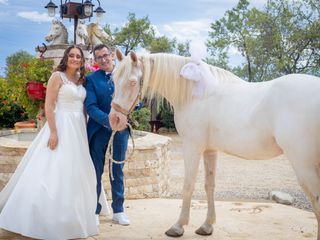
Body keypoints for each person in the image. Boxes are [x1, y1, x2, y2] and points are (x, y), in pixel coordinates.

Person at [0, 45, 99, 239]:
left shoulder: (82, 80)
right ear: (66, 57)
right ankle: (43, 218)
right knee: (55, 168)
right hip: (61, 124)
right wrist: (53, 132)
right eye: (71, 55)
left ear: (82, 59)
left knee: (76, 170)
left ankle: (73, 215)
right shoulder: (57, 77)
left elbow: (85, 109)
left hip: (78, 127)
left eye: (78, 56)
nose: (75, 58)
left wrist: (86, 131)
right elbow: (49, 105)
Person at [85, 44, 130, 225]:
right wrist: (109, 121)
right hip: (98, 131)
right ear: (95, 61)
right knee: (95, 171)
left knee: (117, 170)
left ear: (112, 56)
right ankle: (94, 211)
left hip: (121, 132)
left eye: (106, 55)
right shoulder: (91, 80)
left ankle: (118, 210)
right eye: (99, 57)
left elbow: (135, 99)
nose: (103, 59)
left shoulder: (125, 75)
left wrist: (128, 113)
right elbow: (91, 107)